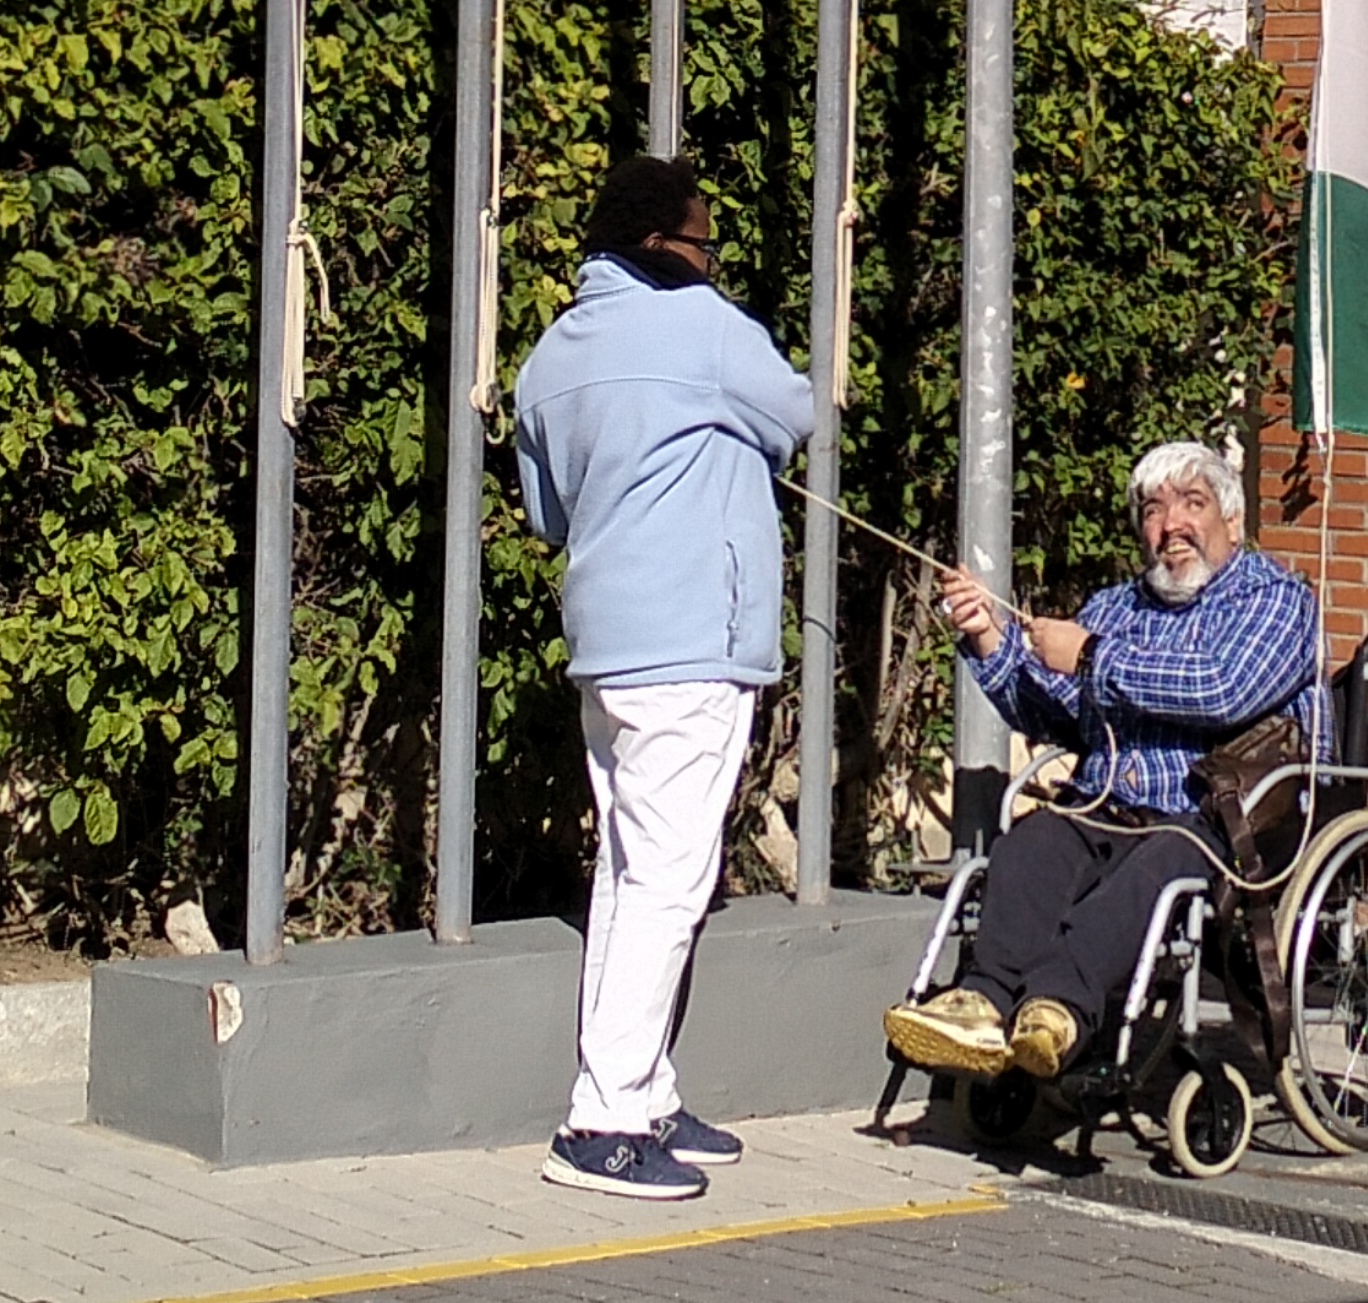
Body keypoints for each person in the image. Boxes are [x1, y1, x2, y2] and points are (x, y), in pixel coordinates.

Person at [511, 154, 813, 1201]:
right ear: (659, 245)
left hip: (606, 646)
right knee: (672, 881)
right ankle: (600, 1120)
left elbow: (547, 513)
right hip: (692, 643)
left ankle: (643, 1094)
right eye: (703, 244)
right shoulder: (704, 328)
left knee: (629, 871)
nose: (712, 261)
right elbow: (798, 412)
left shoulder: (551, 355)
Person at [882, 440, 1322, 1084]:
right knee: (1031, 845)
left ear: (1233, 522)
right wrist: (989, 638)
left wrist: (1092, 657)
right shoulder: (1115, 607)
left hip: (1215, 818)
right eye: (1153, 510)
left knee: (1149, 875)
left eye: (1192, 504)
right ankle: (982, 1001)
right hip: (1105, 805)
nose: (1171, 525)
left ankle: (1057, 1012)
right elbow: (1054, 714)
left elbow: (1222, 690)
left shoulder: (1275, 600)